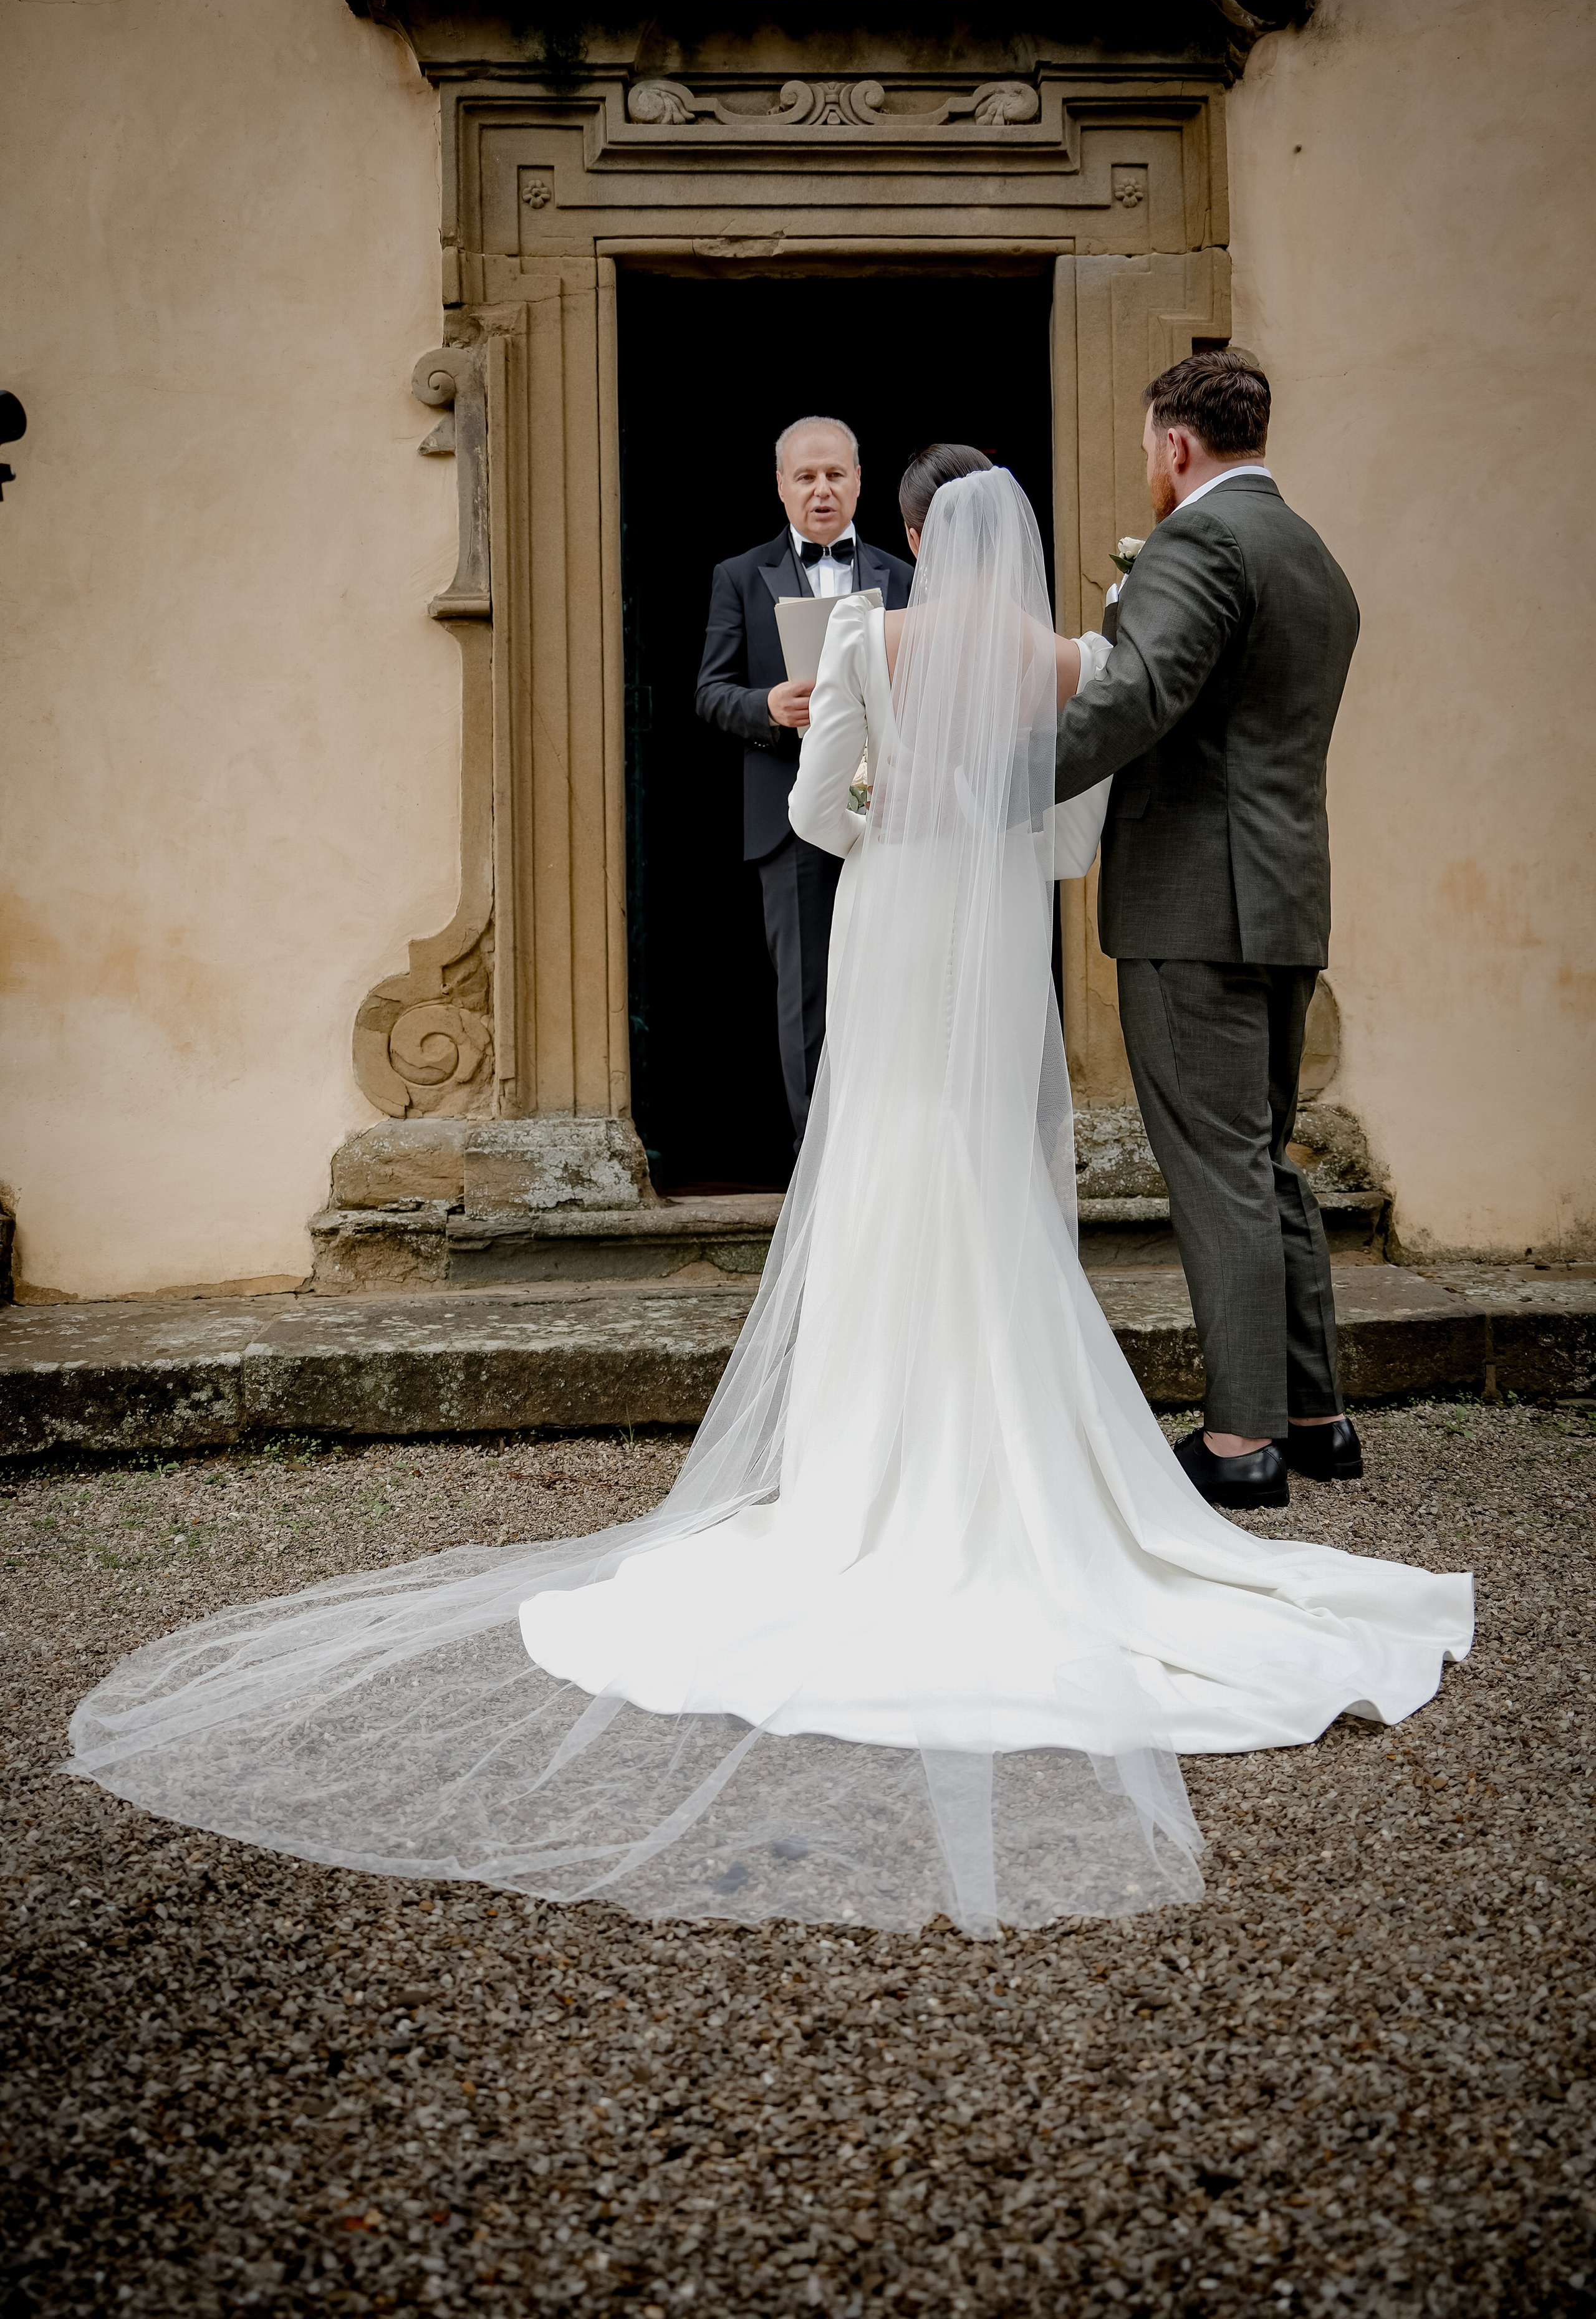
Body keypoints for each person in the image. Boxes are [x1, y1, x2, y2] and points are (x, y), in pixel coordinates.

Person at [68, 463, 1472, 1941]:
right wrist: (974, 817)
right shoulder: (1061, 655)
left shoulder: (868, 637)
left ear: (912, 533)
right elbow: (1063, 831)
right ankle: (1045, 1452)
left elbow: (819, 811)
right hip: (990, 966)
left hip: (889, 936)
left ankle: (862, 1459)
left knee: (880, 1173)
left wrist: (882, 801)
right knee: (996, 1183)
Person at [1054, 349, 1362, 1514]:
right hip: (1284, 901)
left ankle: (1241, 1442)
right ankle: (1315, 1414)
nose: (1148, 467)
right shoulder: (1312, 555)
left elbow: (1137, 695)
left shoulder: (1197, 541)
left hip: (1195, 903)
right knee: (1263, 1158)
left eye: (1146, 449)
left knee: (1219, 1172)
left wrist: (993, 778)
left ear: (1176, 445)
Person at [696, 416, 913, 1146]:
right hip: (790, 820)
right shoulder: (737, 576)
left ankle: (886, 1161)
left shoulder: (903, 576)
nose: (821, 490)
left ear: (859, 482)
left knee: (891, 990)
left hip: (890, 812)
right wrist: (765, 706)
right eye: (806, 477)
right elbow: (709, 691)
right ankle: (816, 1168)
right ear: (781, 488)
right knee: (808, 999)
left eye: (835, 475)